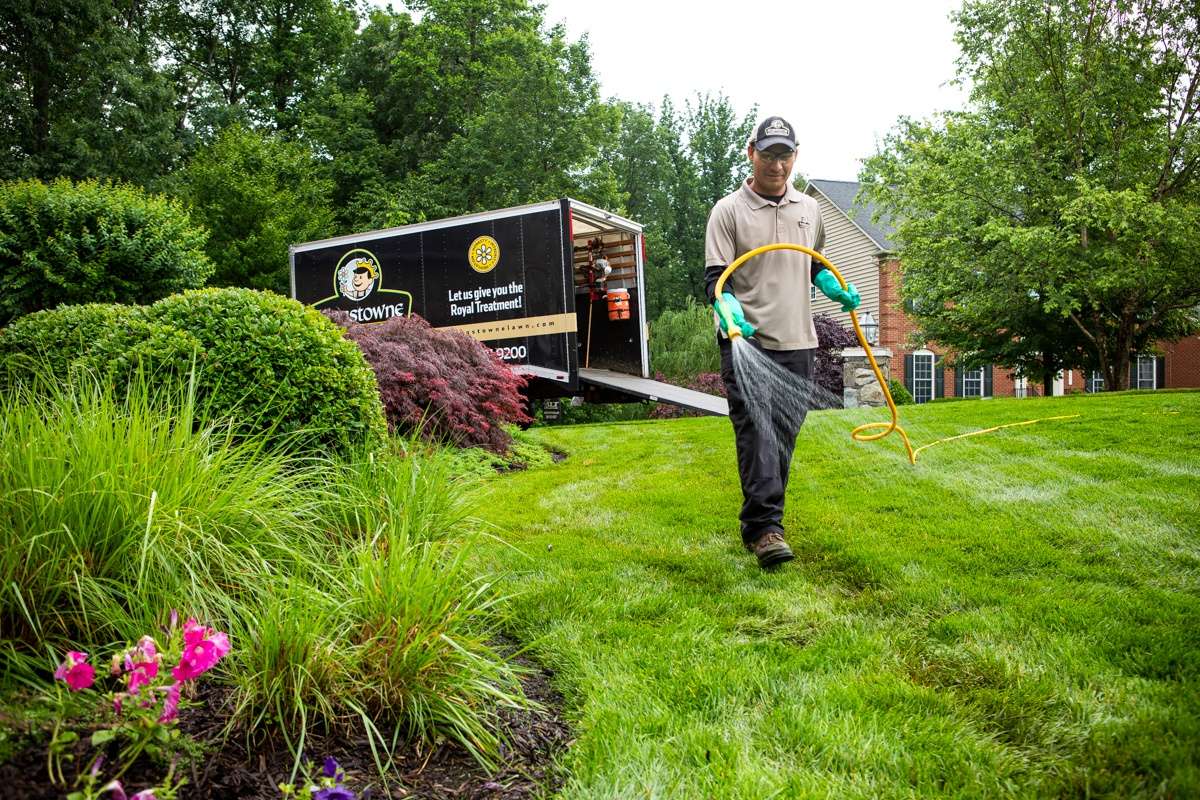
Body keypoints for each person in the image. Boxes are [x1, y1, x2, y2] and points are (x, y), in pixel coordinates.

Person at [704, 115, 861, 568]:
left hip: (798, 339)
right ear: (751, 153)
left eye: (785, 155)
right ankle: (766, 530)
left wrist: (830, 282)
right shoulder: (728, 211)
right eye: (768, 154)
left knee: (785, 436)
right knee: (757, 434)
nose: (777, 164)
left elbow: (813, 262)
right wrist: (727, 309)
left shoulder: (809, 210)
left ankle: (763, 520)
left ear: (796, 156)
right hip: (746, 339)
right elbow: (716, 278)